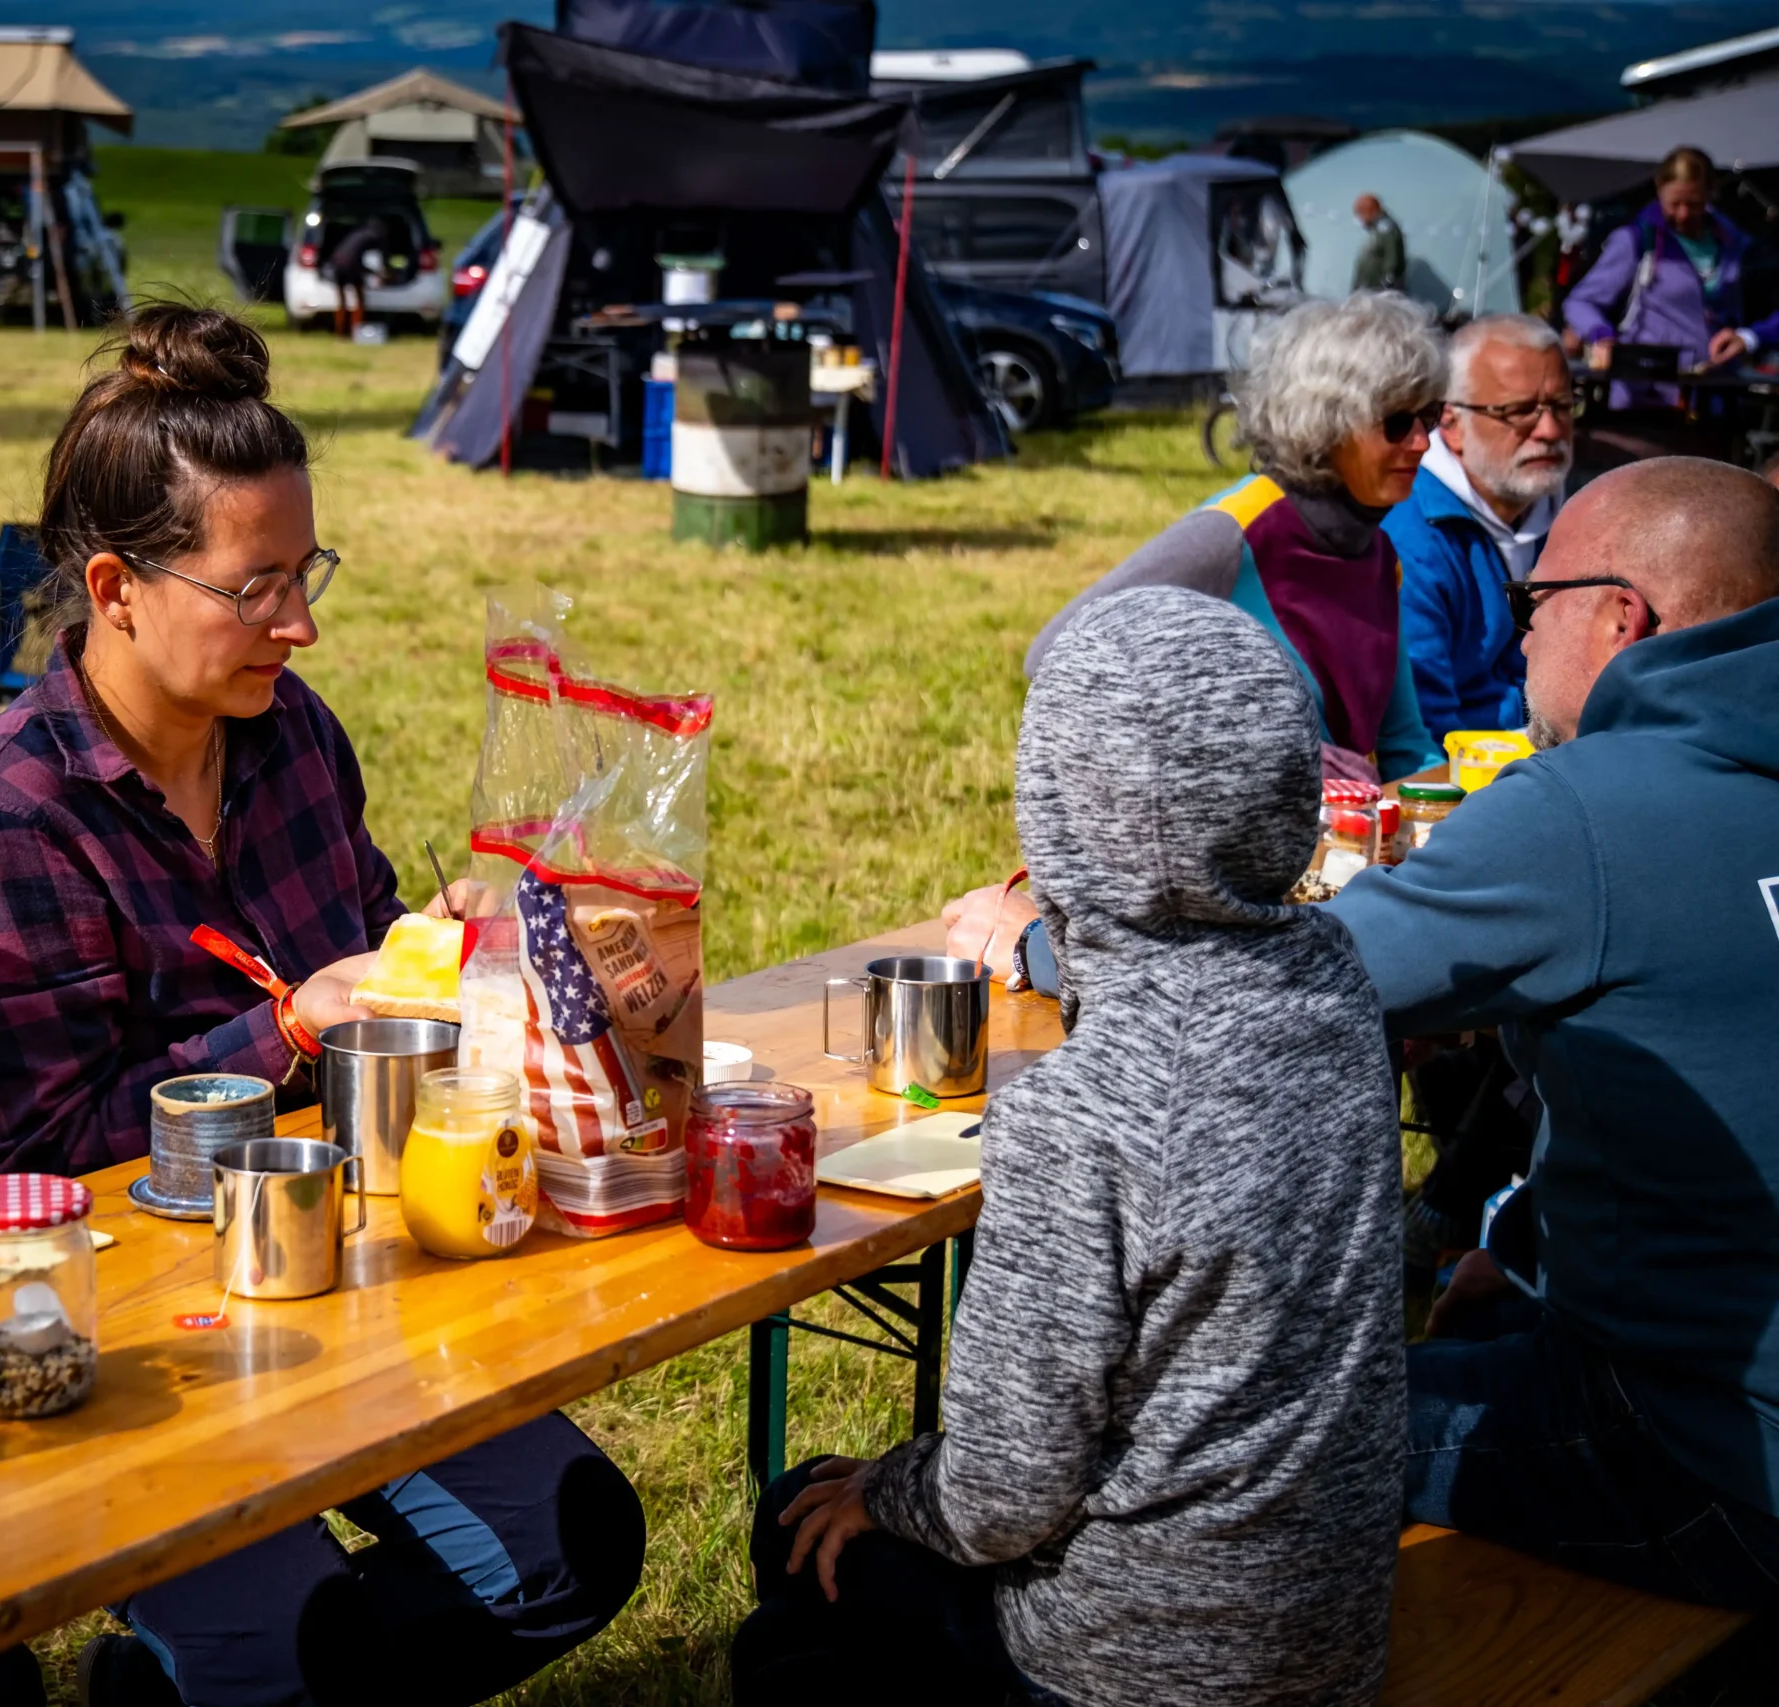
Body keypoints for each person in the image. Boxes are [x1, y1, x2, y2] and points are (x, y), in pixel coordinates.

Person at [0, 302, 645, 1707]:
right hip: (88, 1326)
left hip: (321, 1278)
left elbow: (370, 964)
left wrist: (470, 969)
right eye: (255, 586)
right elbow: (55, 1152)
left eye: (308, 571)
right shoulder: (2, 824)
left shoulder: (292, 734)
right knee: (302, 1641)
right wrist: (287, 1031)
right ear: (114, 586)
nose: (299, 622)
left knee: (580, 1545)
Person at [951, 459, 1779, 1607]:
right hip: (1703, 1377)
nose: (1517, 642)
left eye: (1534, 605)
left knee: (1183, 1452)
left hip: (1709, 1457)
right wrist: (1530, 1240)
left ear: (1619, 617)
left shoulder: (1591, 809)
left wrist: (1041, 940)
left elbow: (1274, 995)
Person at [738, 587, 1405, 1707]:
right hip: (1324, 1621)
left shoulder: (1081, 1109)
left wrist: (889, 1491)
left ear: (1055, 808)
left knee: (793, 1554)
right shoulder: (1333, 980)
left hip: (1131, 1661)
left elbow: (1000, 1496)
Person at [1028, 292, 1443, 783]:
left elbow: (1407, 746)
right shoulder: (1233, 533)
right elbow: (1055, 654)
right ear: (1326, 424)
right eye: (1397, 423)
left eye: (1430, 416)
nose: (1422, 441)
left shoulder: (1376, 551)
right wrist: (1269, 752)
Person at [1382, 312, 1575, 741]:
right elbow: (1421, 732)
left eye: (1561, 406)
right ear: (1451, 424)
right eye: (1518, 411)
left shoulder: (1579, 517)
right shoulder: (1408, 533)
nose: (1549, 430)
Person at [1565, 146, 1779, 414]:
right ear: (1658, 189)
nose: (1683, 215)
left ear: (1712, 192)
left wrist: (1749, 337)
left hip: (1715, 396)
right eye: (1674, 204)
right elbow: (1580, 301)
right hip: (1644, 399)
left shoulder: (1736, 244)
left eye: (1694, 203)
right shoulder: (1637, 241)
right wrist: (1602, 336)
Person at [1351, 193, 1406, 294]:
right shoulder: (1376, 230)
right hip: (1370, 290)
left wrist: (1387, 283)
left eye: (1360, 214)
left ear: (1370, 211)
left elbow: (1392, 258)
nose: (1360, 219)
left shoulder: (1386, 228)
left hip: (1380, 292)